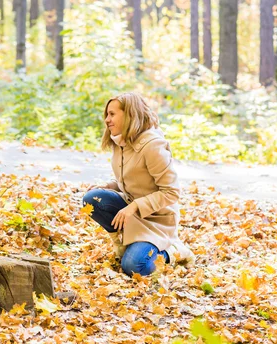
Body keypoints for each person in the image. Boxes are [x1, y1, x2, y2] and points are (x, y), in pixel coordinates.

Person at [83, 93, 194, 277]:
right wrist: (108, 186)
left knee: (135, 267)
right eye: (107, 115)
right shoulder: (120, 141)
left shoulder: (152, 146)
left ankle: (174, 251)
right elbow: (133, 182)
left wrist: (134, 206)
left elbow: (171, 192)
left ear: (129, 115)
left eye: (112, 114)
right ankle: (123, 244)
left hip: (157, 220)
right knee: (92, 198)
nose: (107, 120)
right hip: (133, 211)